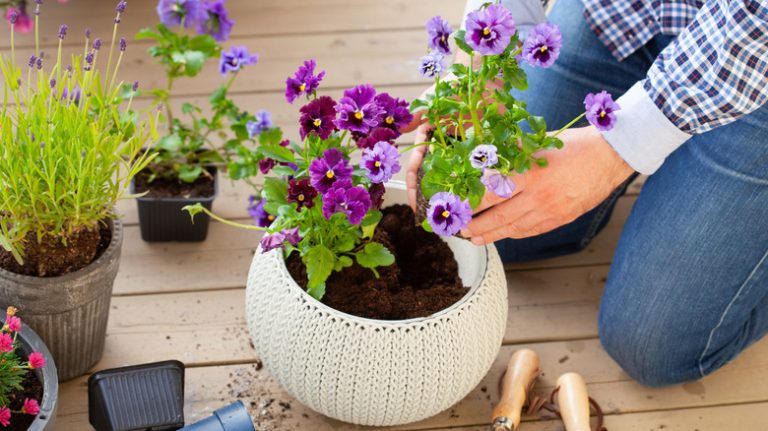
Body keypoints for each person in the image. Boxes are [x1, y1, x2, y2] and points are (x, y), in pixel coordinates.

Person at [405, 0, 768, 387]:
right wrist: (480, 63)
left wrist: (620, 146)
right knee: (501, 224)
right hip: (629, 9)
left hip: (754, 55)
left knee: (651, 347)